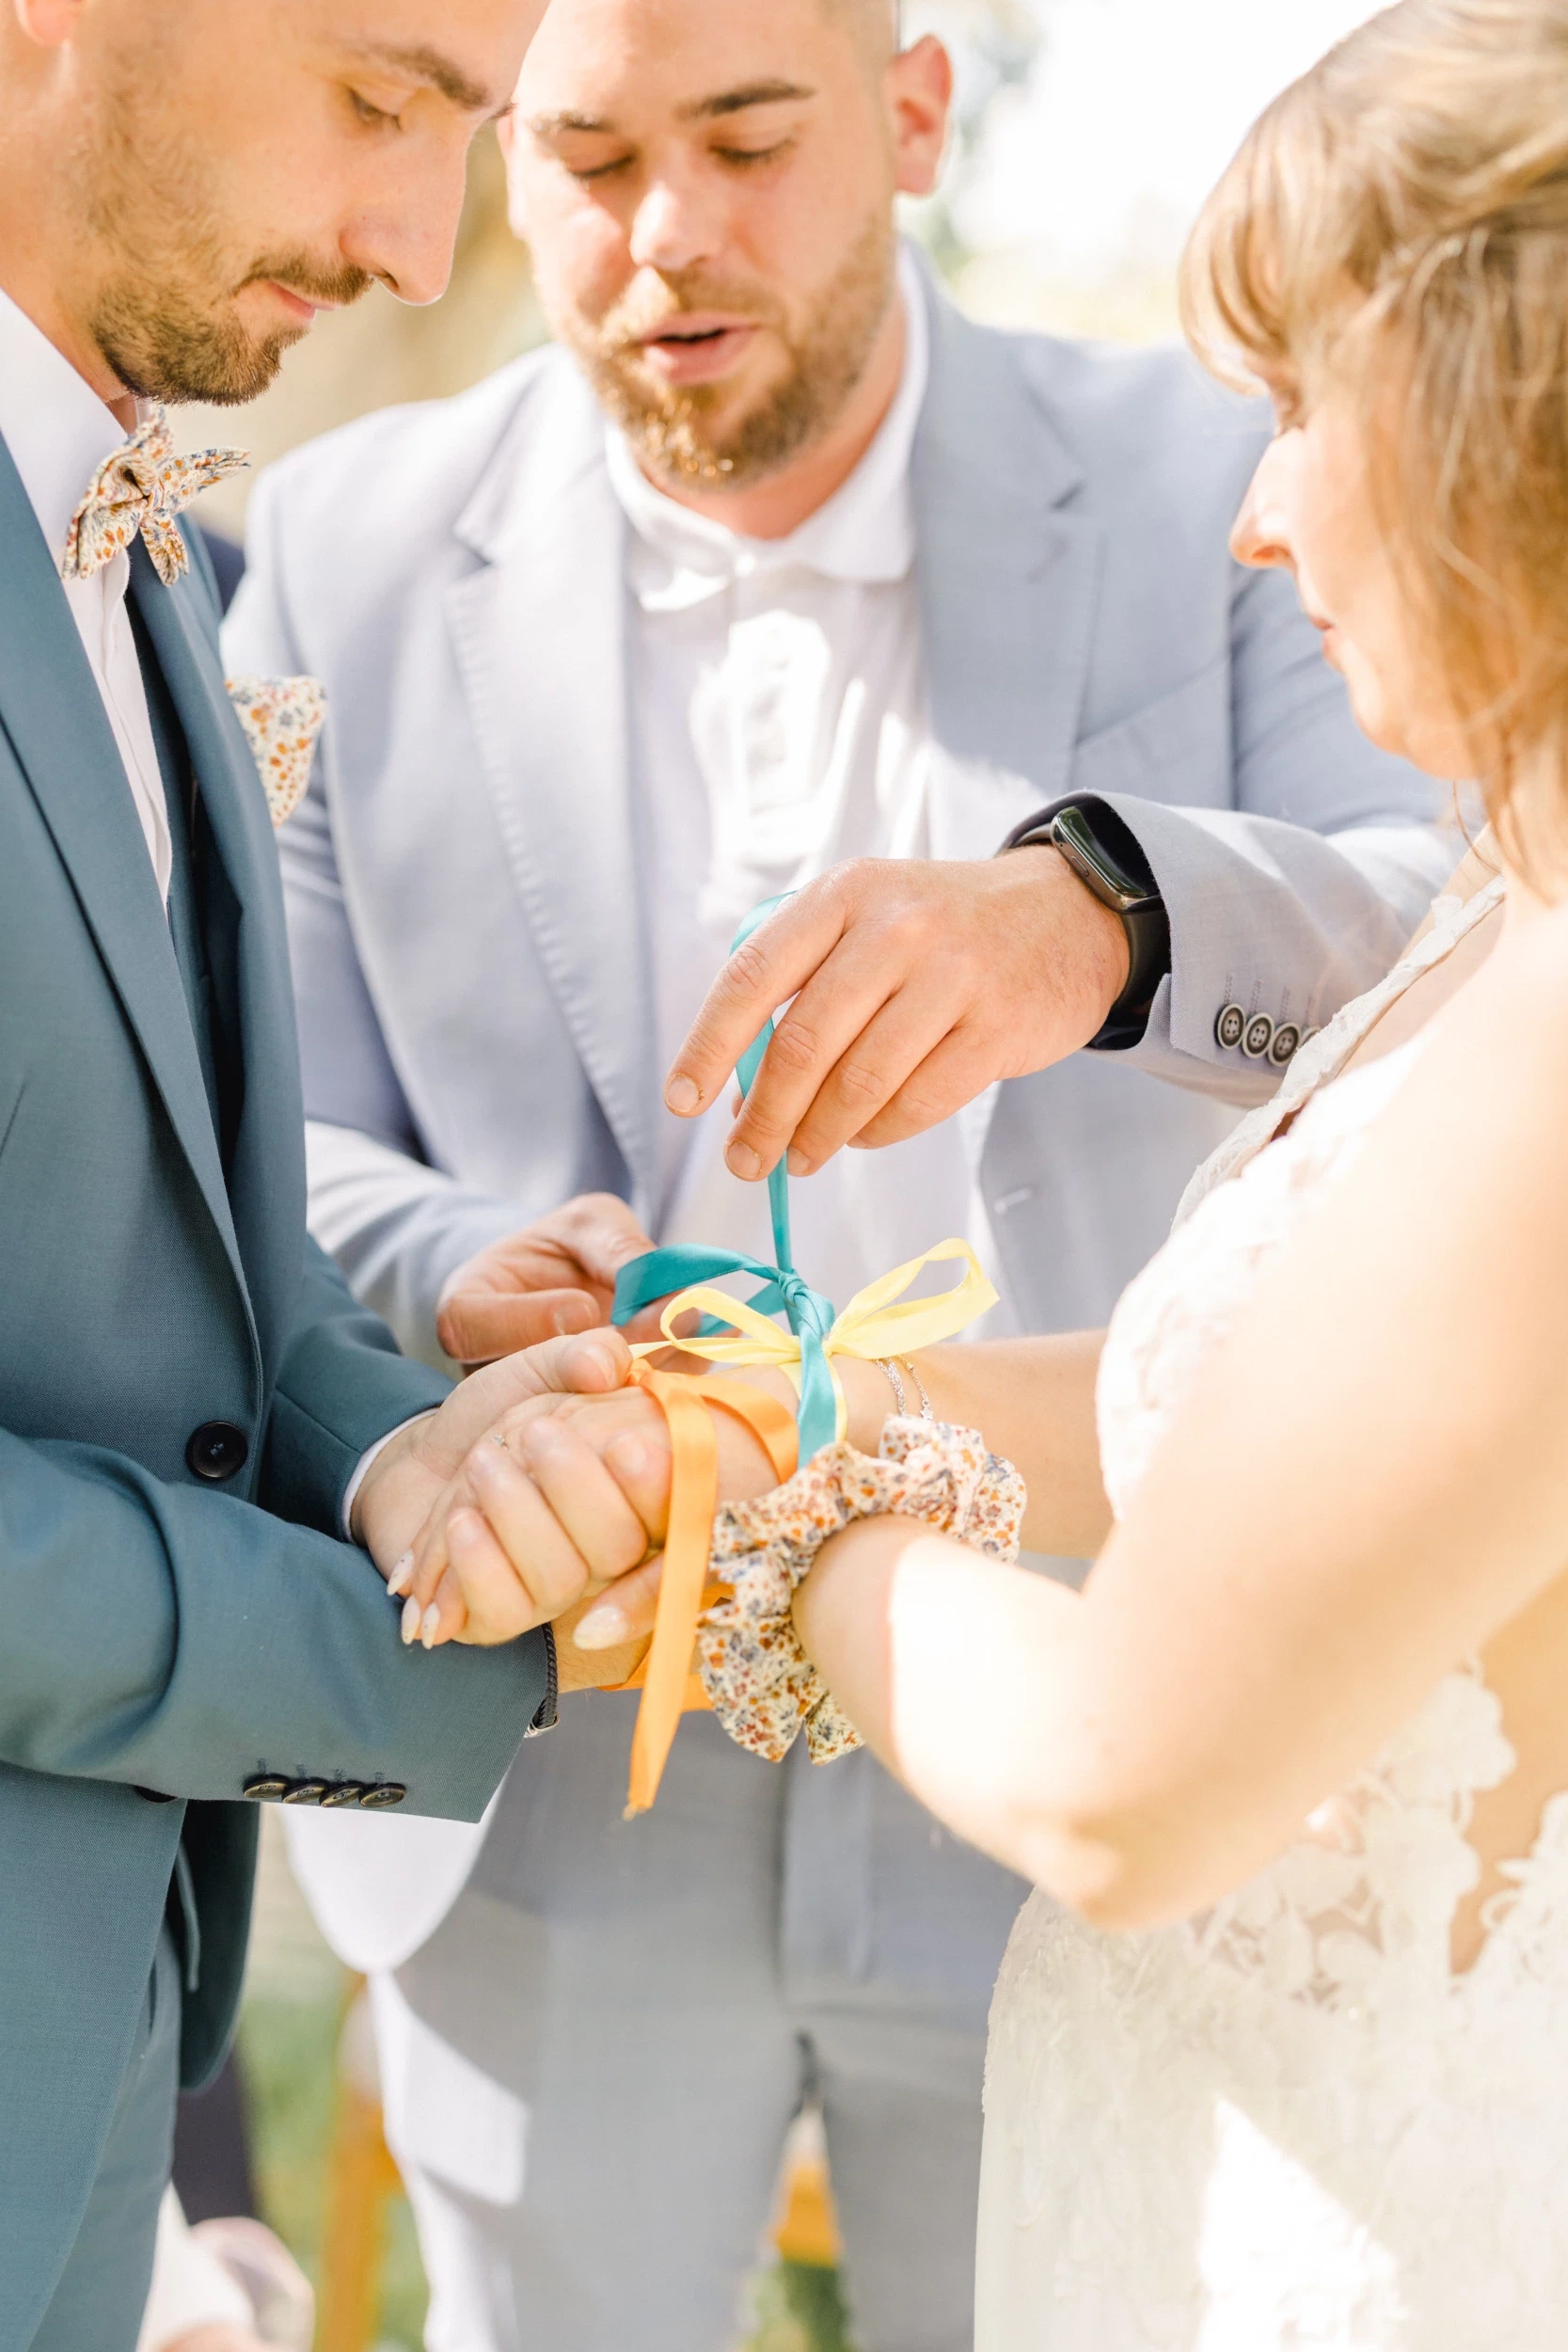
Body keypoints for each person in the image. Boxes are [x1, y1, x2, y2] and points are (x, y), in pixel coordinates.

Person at [225, 0, 1455, 2343]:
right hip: (553, 1779)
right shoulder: (345, 540)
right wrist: (457, 1249)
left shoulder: (1214, 473)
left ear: (909, 116)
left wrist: (1108, 908)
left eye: (746, 138)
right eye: (581, 161)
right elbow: (257, 1115)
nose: (662, 237)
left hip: (1071, 1714)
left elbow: (1456, 904)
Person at [0, 1, 651, 2344]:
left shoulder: (155, 560)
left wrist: (434, 1458)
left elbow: (183, 1292)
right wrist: (431, 1645)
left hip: (81, 2090)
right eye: (380, 99)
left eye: (466, 133)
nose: (414, 241)